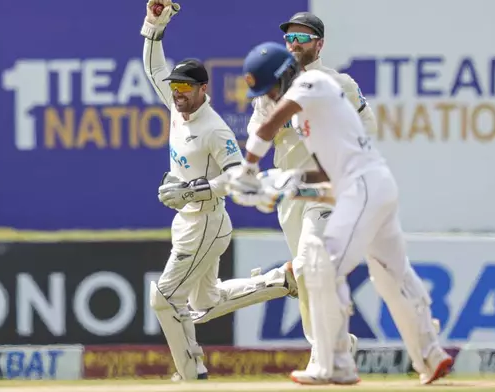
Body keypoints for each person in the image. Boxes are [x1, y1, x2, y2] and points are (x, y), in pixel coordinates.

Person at [227, 41, 452, 385]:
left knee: (321, 265)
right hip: (369, 186)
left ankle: (335, 365)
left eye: (270, 88)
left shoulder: (312, 84)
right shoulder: (311, 115)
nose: (268, 97)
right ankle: (431, 356)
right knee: (392, 276)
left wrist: (249, 169)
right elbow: (326, 176)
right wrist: (284, 184)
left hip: (363, 188)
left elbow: (267, 128)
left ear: (285, 74)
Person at [140, 0, 298, 381]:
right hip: (188, 221)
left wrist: (191, 191)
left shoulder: (214, 128)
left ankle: (191, 374)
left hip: (207, 222)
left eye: (185, 88)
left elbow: (237, 175)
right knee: (204, 302)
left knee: (164, 299)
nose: (177, 93)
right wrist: (153, 24)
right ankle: (280, 281)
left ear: (202, 89)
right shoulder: (178, 108)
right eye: (175, 86)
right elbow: (153, 68)